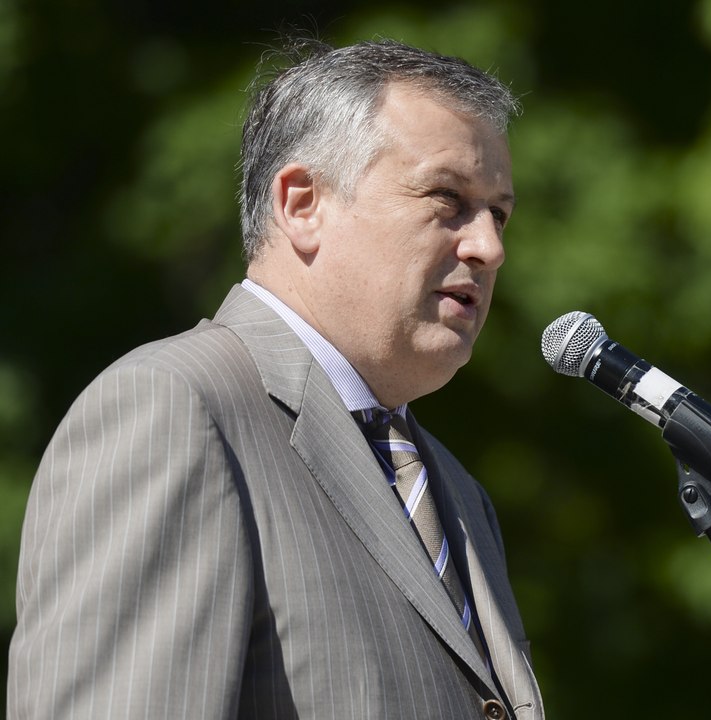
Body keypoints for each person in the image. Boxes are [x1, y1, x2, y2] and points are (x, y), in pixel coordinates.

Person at [8, 38, 543, 720]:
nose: (490, 247)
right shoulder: (172, 409)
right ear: (301, 204)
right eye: (448, 198)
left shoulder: (457, 494)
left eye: (499, 214)